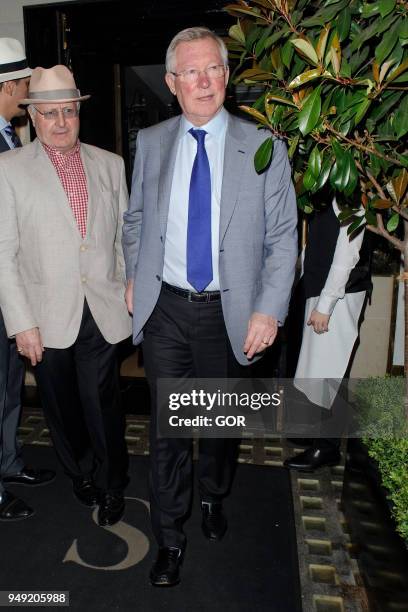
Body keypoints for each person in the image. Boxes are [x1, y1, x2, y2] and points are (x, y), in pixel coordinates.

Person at [122, 26, 298, 586]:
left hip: (232, 314)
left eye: (213, 69)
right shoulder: (151, 143)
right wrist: (134, 276)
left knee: (219, 426)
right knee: (169, 433)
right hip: (167, 311)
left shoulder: (263, 146)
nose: (204, 81)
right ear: (172, 83)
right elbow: (136, 221)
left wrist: (268, 310)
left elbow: (283, 237)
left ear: (228, 76)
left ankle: (214, 495)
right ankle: (169, 537)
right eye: (190, 72)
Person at [0, 65, 132, 527]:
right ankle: (79, 471)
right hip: (44, 314)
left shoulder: (110, 164)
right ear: (32, 117)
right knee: (60, 405)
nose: (60, 122)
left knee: (103, 401)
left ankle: (115, 481)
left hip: (102, 307)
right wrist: (21, 323)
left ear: (79, 112)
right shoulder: (8, 170)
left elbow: (123, 237)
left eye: (69, 112)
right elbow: (3, 254)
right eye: (50, 113)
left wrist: (128, 283)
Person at [0, 38, 55, 522]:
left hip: (9, 299)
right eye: (23, 84)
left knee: (10, 387)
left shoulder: (9, 136)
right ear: (9, 85)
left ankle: (9, 464)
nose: (26, 94)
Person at [284, 199, 372, 471]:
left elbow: (349, 250)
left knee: (331, 371)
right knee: (319, 369)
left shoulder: (349, 189)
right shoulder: (329, 188)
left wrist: (326, 304)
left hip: (337, 296)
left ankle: (327, 447)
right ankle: (319, 440)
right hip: (320, 289)